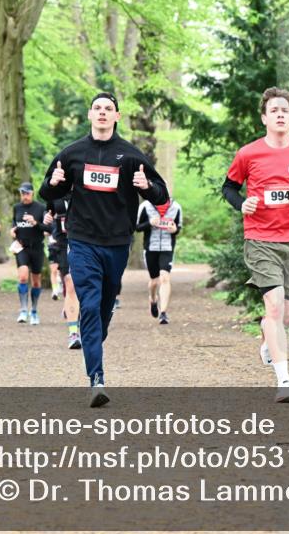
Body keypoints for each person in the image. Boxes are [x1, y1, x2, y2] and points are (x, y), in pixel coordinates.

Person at [40, 91, 168, 407]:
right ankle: (96, 378)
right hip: (82, 242)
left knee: (104, 308)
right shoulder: (71, 154)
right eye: (96, 108)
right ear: (89, 115)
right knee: (90, 303)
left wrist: (145, 187)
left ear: (116, 117)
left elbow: (161, 197)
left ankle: (94, 335)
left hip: (116, 244)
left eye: (108, 109)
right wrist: (54, 183)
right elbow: (47, 194)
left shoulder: (131, 156)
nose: (101, 113)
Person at [221, 87, 289, 403]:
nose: (281, 115)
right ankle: (284, 379)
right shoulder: (248, 153)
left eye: (285, 110)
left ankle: (269, 338)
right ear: (265, 118)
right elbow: (229, 188)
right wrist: (241, 204)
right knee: (274, 305)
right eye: (275, 110)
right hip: (260, 239)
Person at [135, 195, 183, 325]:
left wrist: (174, 229)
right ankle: (152, 299)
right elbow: (137, 227)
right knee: (154, 281)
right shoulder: (145, 206)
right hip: (150, 248)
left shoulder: (176, 207)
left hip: (167, 248)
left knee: (165, 278)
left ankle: (163, 313)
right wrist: (150, 223)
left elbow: (178, 227)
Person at [10, 182, 49, 325]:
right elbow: (14, 223)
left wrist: (35, 223)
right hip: (22, 248)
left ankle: (34, 310)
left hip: (37, 248)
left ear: (32, 193)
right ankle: (23, 310)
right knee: (22, 277)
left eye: (27, 193)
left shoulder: (41, 208)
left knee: (36, 281)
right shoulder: (17, 208)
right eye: (22, 193)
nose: (24, 196)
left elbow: (49, 228)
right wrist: (12, 230)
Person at [45, 195, 81, 349]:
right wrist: (48, 217)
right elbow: (49, 214)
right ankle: (74, 332)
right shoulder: (56, 193)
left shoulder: (84, 188)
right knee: (70, 282)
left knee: (83, 284)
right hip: (63, 242)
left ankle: (83, 314)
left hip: (84, 241)